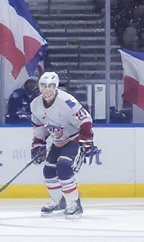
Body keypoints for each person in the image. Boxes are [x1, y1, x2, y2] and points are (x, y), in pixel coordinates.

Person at [30, 72, 96, 218]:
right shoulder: (35, 105)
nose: (47, 89)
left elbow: (85, 120)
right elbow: (39, 126)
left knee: (64, 167)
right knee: (48, 171)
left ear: (56, 87)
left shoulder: (67, 101)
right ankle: (59, 201)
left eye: (51, 86)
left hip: (74, 138)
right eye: (44, 86)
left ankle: (74, 203)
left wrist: (87, 140)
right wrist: (38, 145)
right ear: (39, 87)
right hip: (58, 141)